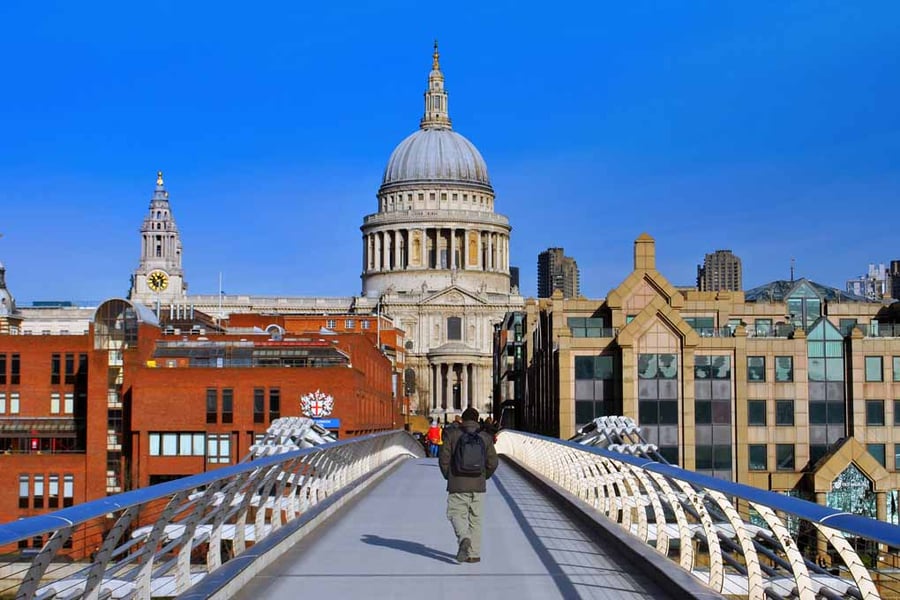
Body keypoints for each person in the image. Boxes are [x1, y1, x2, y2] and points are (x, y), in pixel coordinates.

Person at [439, 406, 498, 564]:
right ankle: (474, 554)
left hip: (457, 483)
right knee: (476, 519)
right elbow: (493, 462)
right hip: (478, 484)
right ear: (477, 419)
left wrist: (449, 476)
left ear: (463, 420)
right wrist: (484, 476)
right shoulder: (485, 437)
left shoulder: (451, 435)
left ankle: (464, 538)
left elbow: (443, 459)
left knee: (455, 514)